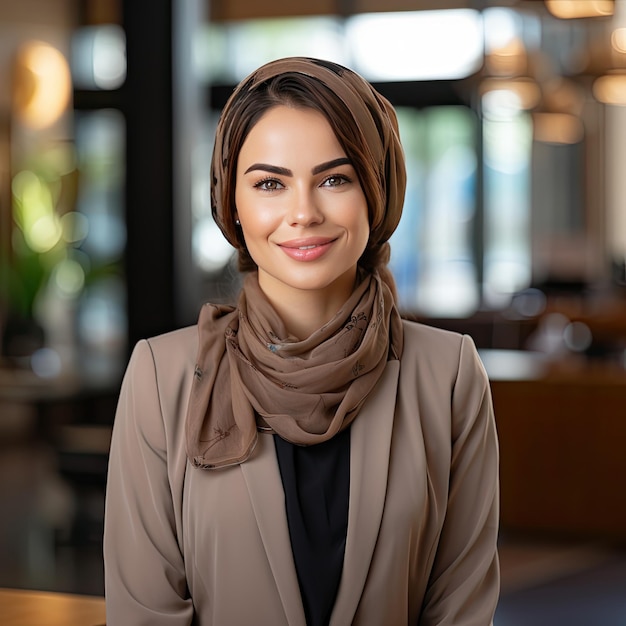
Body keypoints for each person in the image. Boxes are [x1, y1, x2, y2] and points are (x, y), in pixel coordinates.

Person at [103, 56, 499, 625]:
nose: (303, 213)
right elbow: (144, 611)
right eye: (270, 183)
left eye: (334, 179)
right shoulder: (161, 376)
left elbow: (461, 605)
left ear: (376, 191)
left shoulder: (448, 373)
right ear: (232, 205)